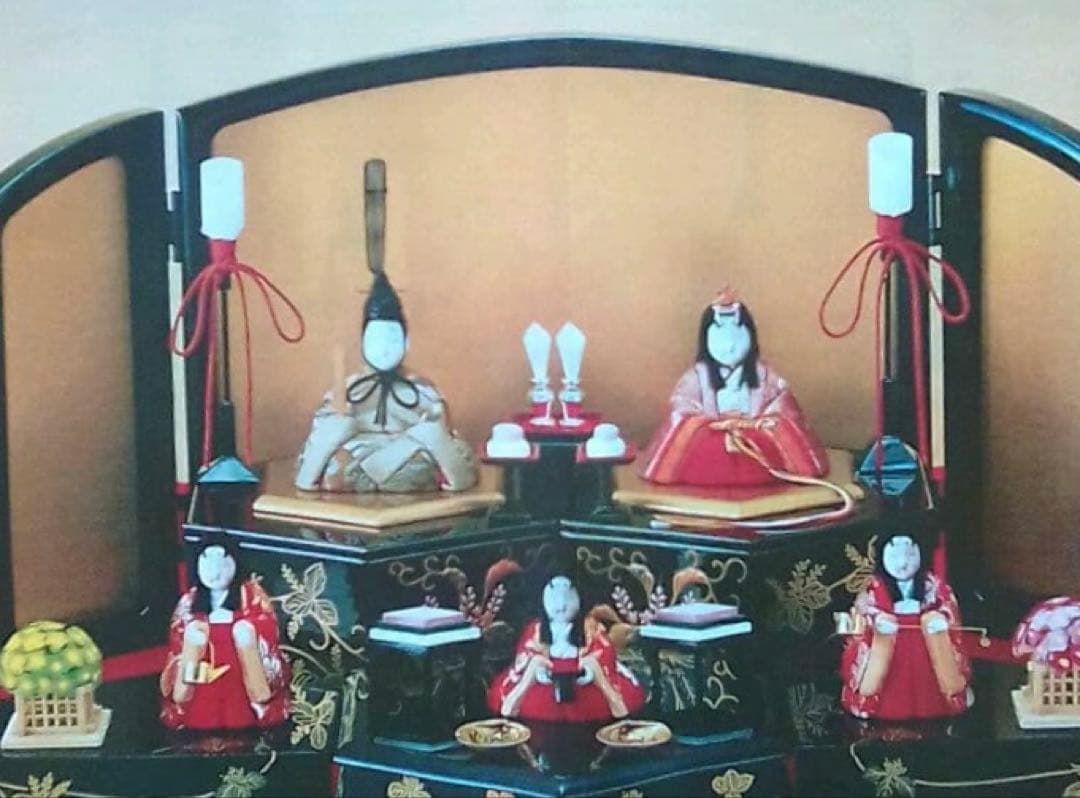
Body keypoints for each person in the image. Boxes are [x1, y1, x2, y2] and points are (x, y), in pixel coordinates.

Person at [295, 269, 478, 493]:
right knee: (334, 456)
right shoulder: (346, 390)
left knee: (426, 457)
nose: (384, 349)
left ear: (406, 342)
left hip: (408, 457)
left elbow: (444, 441)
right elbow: (318, 448)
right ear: (363, 342)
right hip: (354, 459)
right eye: (376, 340)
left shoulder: (423, 390)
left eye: (392, 340)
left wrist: (427, 436)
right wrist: (336, 432)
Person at [640, 289, 829, 487]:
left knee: (762, 444)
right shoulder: (695, 378)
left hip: (755, 442)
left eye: (738, 338)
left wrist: (763, 424)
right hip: (710, 443)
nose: (729, 346)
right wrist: (707, 424)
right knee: (703, 446)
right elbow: (681, 409)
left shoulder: (765, 376)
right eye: (720, 339)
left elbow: (783, 407)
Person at [160, 535, 289, 730]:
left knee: (238, 707)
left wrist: (244, 628)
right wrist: (195, 633)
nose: (215, 572)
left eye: (221, 564)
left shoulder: (251, 594)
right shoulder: (191, 599)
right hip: (203, 666)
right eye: (207, 564)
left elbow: (266, 622)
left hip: (237, 664)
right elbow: (179, 629)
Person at [839, 532, 972, 720]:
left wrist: (938, 620)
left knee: (930, 690)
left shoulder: (933, 586)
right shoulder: (872, 591)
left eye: (910, 554)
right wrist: (879, 624)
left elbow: (948, 609)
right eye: (894, 556)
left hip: (926, 651)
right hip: (889, 653)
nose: (902, 563)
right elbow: (862, 620)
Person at [488, 573, 646, 723]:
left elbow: (604, 651)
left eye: (568, 597)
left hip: (586, 688)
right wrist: (536, 668)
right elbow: (525, 653)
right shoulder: (536, 629)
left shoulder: (592, 628)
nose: (561, 605)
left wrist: (591, 668)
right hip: (543, 688)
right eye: (554, 597)